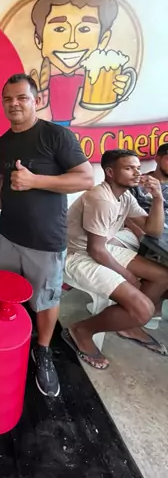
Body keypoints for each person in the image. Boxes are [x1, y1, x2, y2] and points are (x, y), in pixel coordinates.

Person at [0, 74, 93, 398]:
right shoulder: (3, 143)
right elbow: (5, 181)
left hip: (45, 239)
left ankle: (43, 351)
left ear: (37, 100)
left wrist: (36, 181)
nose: (14, 104)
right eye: (8, 99)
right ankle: (12, 338)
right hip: (10, 233)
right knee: (8, 293)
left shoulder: (56, 135)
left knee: (45, 300)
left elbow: (85, 178)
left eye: (22, 97)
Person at [63, 149, 168, 370]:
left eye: (138, 168)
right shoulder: (101, 199)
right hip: (77, 256)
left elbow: (153, 230)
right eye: (129, 168)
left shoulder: (125, 196)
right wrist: (130, 278)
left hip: (103, 248)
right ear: (110, 172)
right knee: (144, 309)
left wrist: (158, 198)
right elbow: (95, 250)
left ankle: (129, 322)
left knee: (163, 276)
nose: (137, 173)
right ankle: (82, 330)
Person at [116, 143, 168, 254]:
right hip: (145, 231)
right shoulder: (138, 183)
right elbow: (125, 211)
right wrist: (139, 233)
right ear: (157, 159)